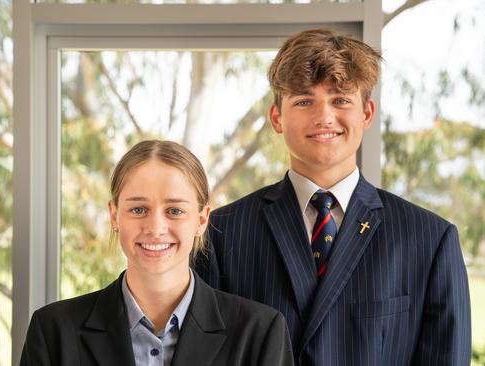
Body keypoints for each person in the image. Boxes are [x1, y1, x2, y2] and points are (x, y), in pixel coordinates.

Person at [196, 29, 471, 365]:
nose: (324, 116)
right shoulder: (224, 232)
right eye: (304, 100)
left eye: (340, 100)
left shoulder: (429, 239)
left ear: (367, 114)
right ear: (276, 117)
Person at [20, 140, 294, 366]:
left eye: (174, 211)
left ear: (201, 220)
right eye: (138, 209)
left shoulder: (260, 332)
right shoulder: (53, 331)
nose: (155, 228)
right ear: (114, 216)